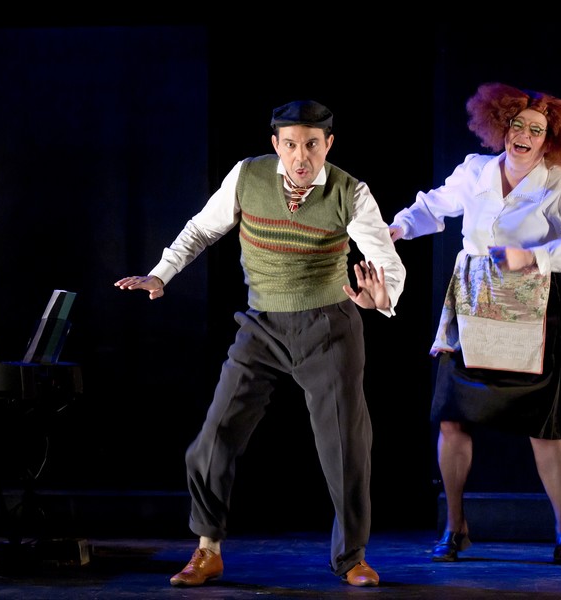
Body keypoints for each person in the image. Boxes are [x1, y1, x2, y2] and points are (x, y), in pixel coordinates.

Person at [115, 100, 405, 588]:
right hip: (262, 325)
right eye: (290, 145)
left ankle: (351, 557)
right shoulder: (247, 176)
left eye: (311, 145)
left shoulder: (349, 191)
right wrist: (160, 274)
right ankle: (207, 550)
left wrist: (383, 296)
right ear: (276, 144)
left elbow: (384, 257)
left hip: (328, 327)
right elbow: (201, 229)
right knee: (214, 437)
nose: (301, 156)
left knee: (346, 447)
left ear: (328, 144)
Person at [388, 82, 561, 564]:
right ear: (501, 127)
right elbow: (434, 206)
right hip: (472, 302)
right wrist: (400, 226)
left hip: (530, 309)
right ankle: (455, 526)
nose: (522, 135)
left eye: (535, 130)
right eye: (516, 125)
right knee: (452, 416)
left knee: (545, 427)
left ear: (549, 140)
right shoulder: (476, 171)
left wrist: (534, 256)